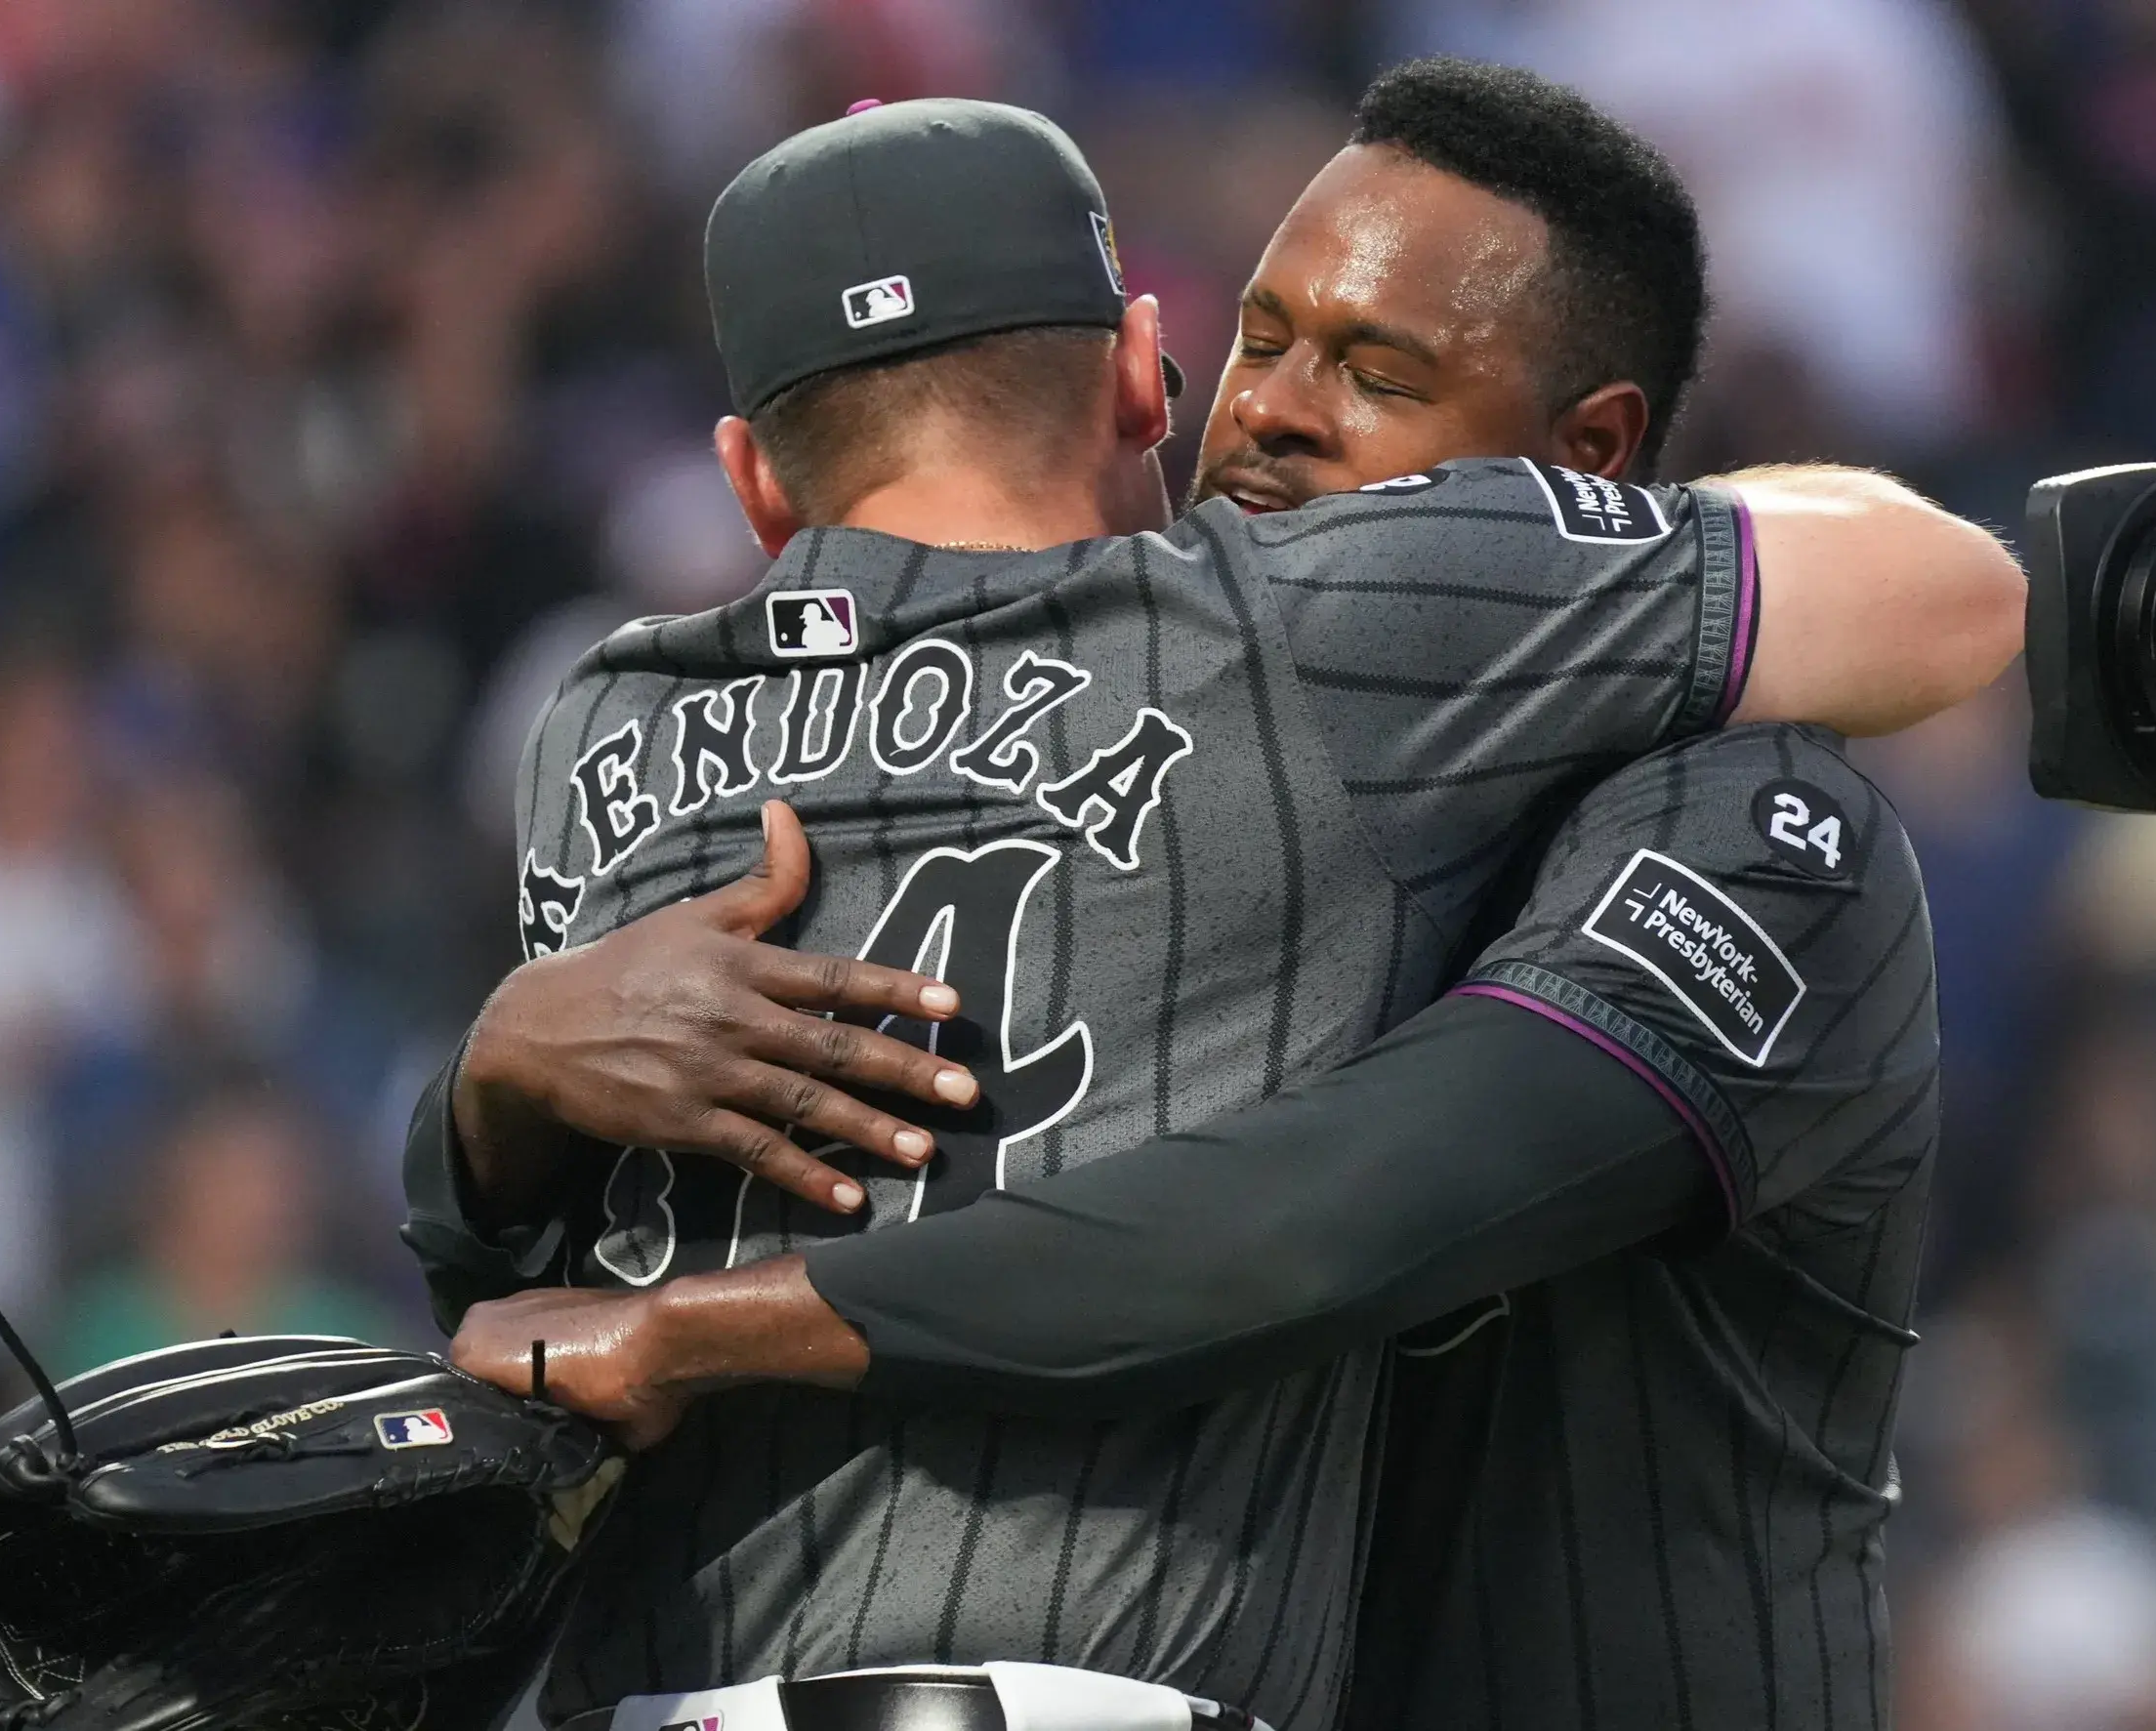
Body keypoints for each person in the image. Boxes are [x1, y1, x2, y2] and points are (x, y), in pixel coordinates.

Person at [409, 74, 2011, 1731]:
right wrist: (486, 1101)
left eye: (1377, 373)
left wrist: (695, 1328)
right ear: (1141, 373)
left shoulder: (1742, 812)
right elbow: (522, 1310)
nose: (1269, 415)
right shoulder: (1220, 689)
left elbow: (1320, 1213)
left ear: (1586, 476)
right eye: (1255, 342)